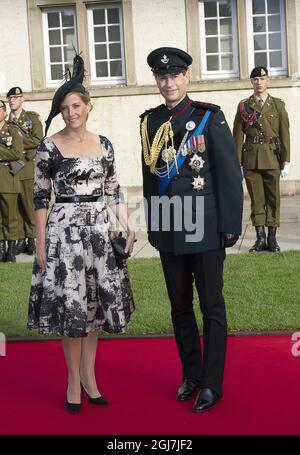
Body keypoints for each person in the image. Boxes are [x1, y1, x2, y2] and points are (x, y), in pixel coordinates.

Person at [27, 53, 135, 413]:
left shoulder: (104, 144)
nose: (71, 112)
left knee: (94, 311)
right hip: (64, 234)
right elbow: (41, 198)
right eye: (64, 107)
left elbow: (114, 191)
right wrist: (41, 242)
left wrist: (128, 225)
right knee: (71, 310)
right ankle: (73, 380)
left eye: (76, 105)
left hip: (100, 234)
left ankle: (90, 378)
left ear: (89, 106)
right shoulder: (48, 147)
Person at [140, 47, 243, 413]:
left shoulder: (208, 118)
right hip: (169, 224)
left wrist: (230, 224)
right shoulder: (150, 122)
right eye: (161, 76)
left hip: (206, 226)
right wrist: (153, 221)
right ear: (157, 80)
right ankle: (192, 375)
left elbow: (229, 175)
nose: (168, 82)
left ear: (186, 77)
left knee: (212, 306)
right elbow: (151, 179)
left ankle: (213, 384)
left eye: (174, 75)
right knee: (180, 307)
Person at [233, 66, 290, 252]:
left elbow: (284, 134)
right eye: (255, 79)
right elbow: (237, 136)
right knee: (256, 199)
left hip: (273, 157)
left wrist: (286, 160)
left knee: (273, 199)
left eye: (262, 79)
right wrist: (237, 162)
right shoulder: (244, 106)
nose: (259, 82)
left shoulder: (278, 105)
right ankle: (260, 238)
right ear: (251, 82)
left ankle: (272, 239)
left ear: (268, 81)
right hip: (251, 158)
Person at [6, 86, 43, 256]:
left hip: (27, 167)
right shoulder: (4, 122)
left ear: (22, 99)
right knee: (16, 207)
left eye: (15, 97)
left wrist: (19, 140)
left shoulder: (31, 119)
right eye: (10, 98)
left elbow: (37, 140)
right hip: (11, 170)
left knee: (29, 205)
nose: (12, 100)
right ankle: (20, 239)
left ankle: (31, 239)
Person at [0, 99, 24, 262]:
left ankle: (11, 251)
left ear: (4, 112)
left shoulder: (13, 130)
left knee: (10, 217)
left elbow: (17, 153)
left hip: (7, 177)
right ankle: (1, 249)